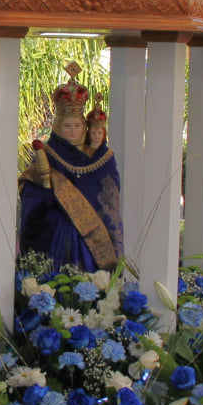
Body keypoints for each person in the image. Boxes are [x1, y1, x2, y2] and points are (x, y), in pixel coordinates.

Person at [18, 62, 121, 271]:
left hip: (95, 236)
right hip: (57, 233)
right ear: (57, 126)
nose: (72, 131)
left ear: (85, 126)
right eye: (67, 126)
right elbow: (31, 193)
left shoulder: (102, 157)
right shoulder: (47, 154)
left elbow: (111, 196)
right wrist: (50, 197)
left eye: (76, 125)